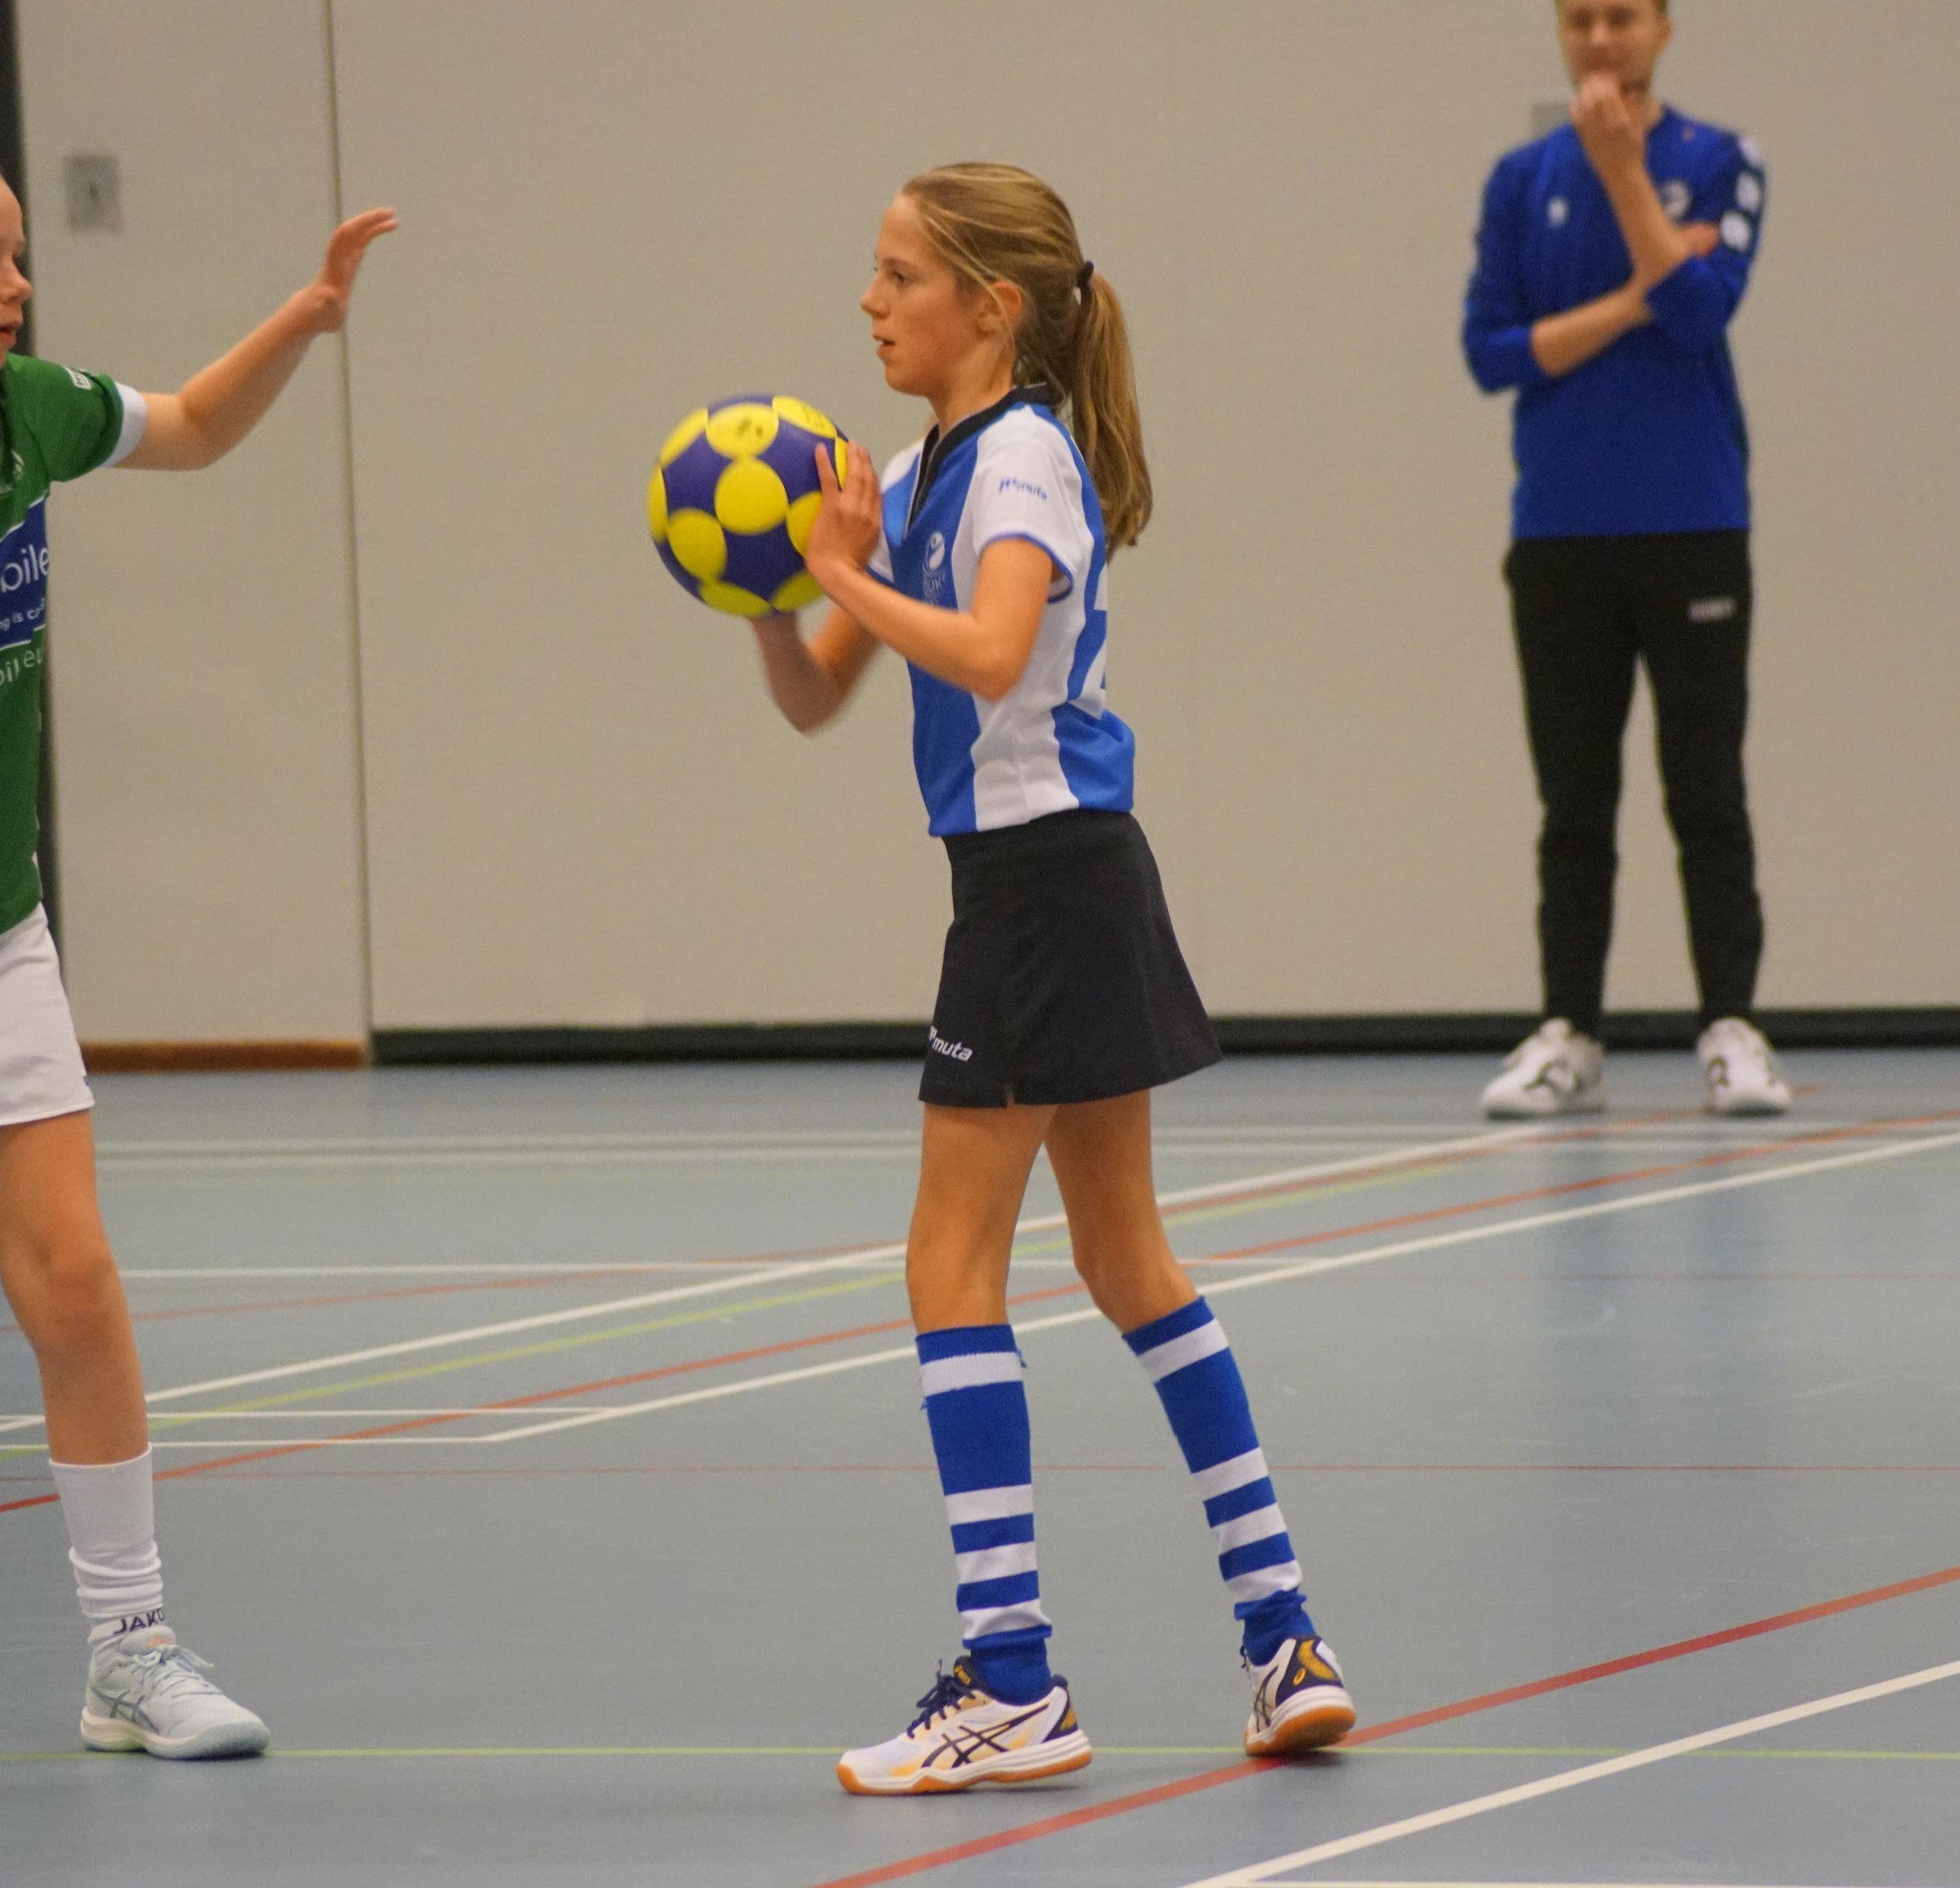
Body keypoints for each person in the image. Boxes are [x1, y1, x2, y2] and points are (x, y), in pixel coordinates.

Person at [0, 134, 396, 1787]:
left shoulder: (25, 419)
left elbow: (189, 426)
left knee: (77, 1286)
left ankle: (130, 1652)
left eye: (20, 255)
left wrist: (304, 315)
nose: (17, 287)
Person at [745, 162, 1355, 1795]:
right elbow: (815, 695)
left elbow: (995, 650)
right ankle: (1285, 1637)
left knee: (949, 1263)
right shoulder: (915, 471)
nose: (870, 301)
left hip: (1037, 886)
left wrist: (850, 574)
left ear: (992, 305)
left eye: (899, 275)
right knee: (1127, 1258)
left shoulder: (1019, 459)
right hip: (1065, 880)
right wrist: (772, 590)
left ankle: (1010, 1678)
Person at [1465, 0, 1791, 1120]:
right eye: (1580, 20)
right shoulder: (1519, 180)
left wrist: (1624, 178)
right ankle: (1571, 1035)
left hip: (1692, 521)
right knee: (1573, 801)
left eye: (1623, 17)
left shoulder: (1721, 159)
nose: (1601, 40)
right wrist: (1633, 294)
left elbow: (1699, 314)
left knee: (1706, 787)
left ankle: (1732, 1029)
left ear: (1663, 28)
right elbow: (1492, 352)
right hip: (1559, 533)